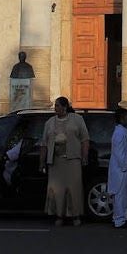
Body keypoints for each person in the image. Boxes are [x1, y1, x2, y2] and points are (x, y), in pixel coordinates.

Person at [41, 96, 90, 226]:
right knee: (57, 189)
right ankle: (59, 216)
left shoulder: (77, 120)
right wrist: (42, 162)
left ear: (64, 107)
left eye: (57, 106)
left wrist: (84, 157)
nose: (55, 108)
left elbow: (85, 139)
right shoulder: (49, 122)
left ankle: (75, 216)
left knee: (73, 188)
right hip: (56, 162)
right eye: (55, 106)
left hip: (72, 160)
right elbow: (44, 144)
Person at [107, 106, 127, 228]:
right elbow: (120, 153)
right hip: (121, 170)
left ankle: (122, 217)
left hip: (123, 168)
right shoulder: (119, 133)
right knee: (120, 195)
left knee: (124, 195)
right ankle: (119, 219)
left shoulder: (122, 132)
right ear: (122, 118)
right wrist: (125, 166)